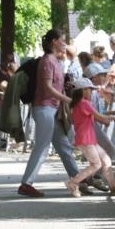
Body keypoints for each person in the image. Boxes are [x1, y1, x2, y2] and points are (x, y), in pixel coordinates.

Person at [17, 29, 81, 198]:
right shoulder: (47, 61)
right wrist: (67, 100)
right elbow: (47, 87)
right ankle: (26, 184)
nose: (65, 43)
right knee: (42, 146)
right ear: (54, 42)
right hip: (44, 108)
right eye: (63, 40)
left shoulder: (56, 61)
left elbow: (54, 86)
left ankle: (78, 179)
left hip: (52, 110)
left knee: (64, 146)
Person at [65, 77, 115, 197]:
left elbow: (95, 115)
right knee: (96, 164)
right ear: (83, 90)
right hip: (86, 140)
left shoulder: (79, 104)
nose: (92, 92)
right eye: (90, 90)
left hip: (88, 139)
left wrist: (109, 115)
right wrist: (111, 118)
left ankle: (114, 187)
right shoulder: (84, 103)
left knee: (106, 160)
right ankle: (73, 183)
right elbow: (99, 116)